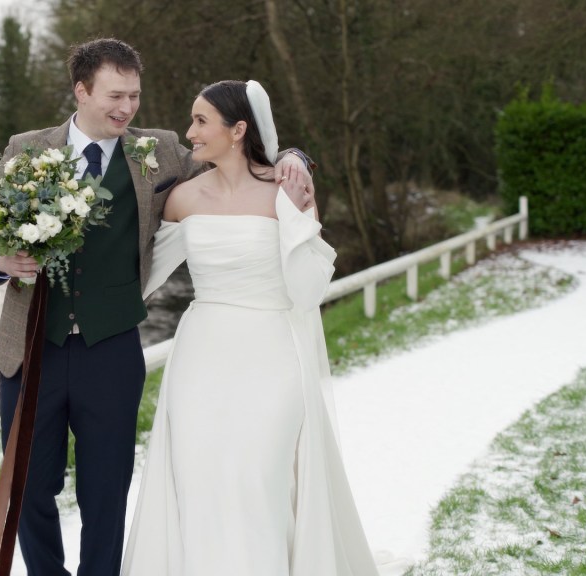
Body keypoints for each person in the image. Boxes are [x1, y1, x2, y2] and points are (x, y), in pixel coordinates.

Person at [0, 41, 313, 576]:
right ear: (81, 91)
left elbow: (240, 154)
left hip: (111, 350)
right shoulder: (27, 148)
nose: (126, 108)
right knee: (31, 487)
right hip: (31, 346)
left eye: (134, 95)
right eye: (114, 95)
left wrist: (294, 158)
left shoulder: (163, 150)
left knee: (106, 488)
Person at [122, 80, 391, 575]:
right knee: (200, 479)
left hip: (272, 354)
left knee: (259, 478)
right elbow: (136, 279)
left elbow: (310, 289)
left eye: (201, 121)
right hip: (201, 357)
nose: (190, 132)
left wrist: (294, 209)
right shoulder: (181, 198)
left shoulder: (288, 189)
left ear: (239, 129)